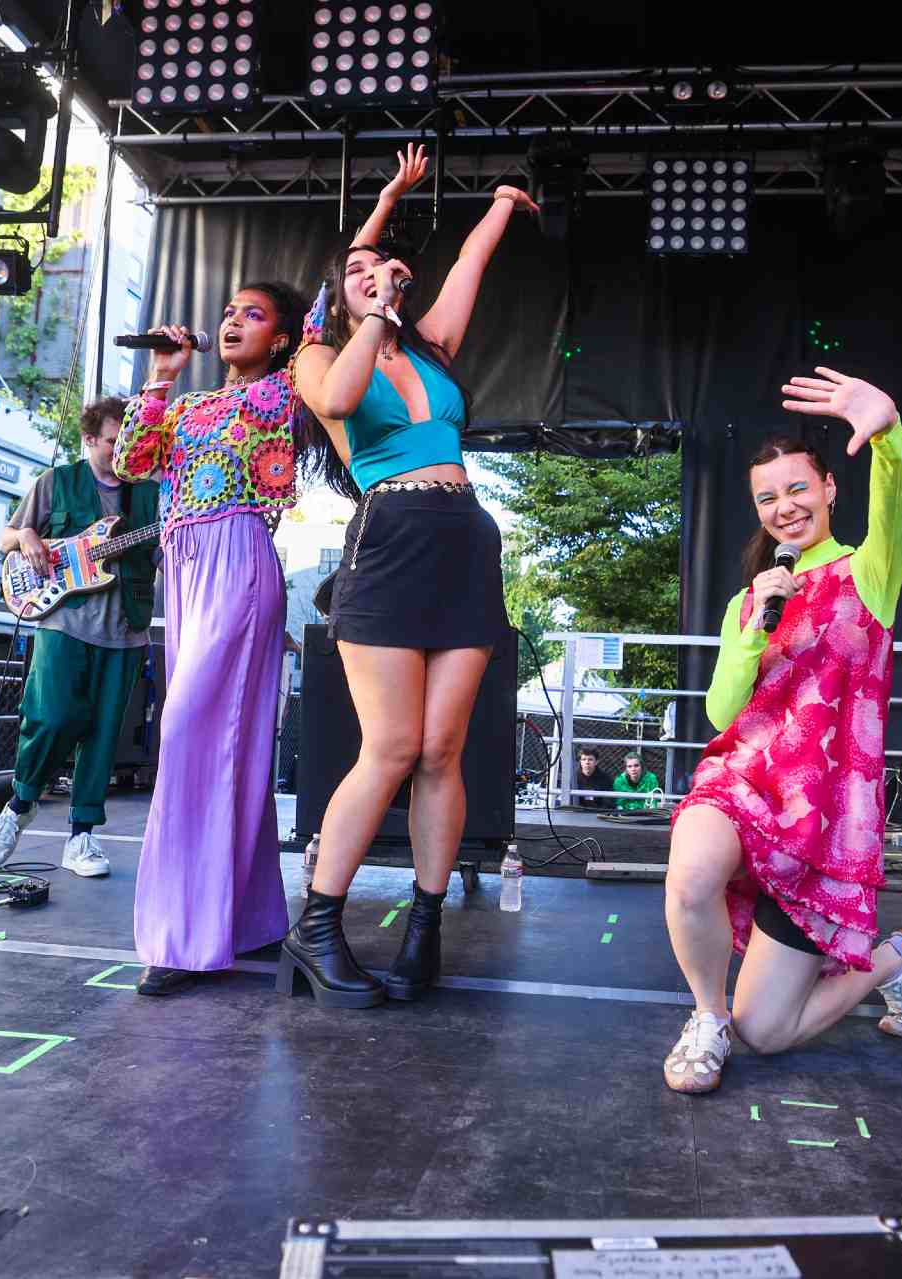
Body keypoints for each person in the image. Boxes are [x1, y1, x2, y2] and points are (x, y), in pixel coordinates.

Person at [284, 146, 536, 1008]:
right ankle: (317, 923)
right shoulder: (319, 359)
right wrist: (375, 297)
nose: (370, 272)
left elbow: (467, 263)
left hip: (465, 540)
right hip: (389, 540)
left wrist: (503, 203)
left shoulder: (432, 348)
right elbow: (345, 398)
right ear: (340, 291)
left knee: (442, 751)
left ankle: (425, 929)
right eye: (353, 270)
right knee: (390, 745)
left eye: (380, 266)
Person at [661, 366, 902, 1096]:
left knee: (770, 1032)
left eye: (799, 487)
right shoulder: (753, 596)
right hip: (742, 783)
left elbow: (894, 506)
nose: (785, 506)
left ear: (830, 489)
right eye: (768, 497)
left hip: (821, 823)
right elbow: (720, 713)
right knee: (689, 880)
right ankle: (706, 1017)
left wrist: (889, 434)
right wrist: (752, 629)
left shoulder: (869, 573)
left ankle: (897, 958)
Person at [115, 279, 310, 997]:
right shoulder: (192, 403)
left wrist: (381, 206)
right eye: (228, 311)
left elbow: (324, 319)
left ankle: (185, 936)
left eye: (252, 315)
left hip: (239, 560)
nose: (232, 322)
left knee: (191, 729)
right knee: (227, 741)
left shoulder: (282, 393)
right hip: (186, 569)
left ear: (281, 338)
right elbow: (133, 461)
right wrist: (162, 375)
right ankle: (251, 914)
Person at [0, 397, 157, 879]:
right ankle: (20, 804)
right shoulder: (55, 482)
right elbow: (5, 538)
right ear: (89, 440)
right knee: (51, 715)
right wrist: (27, 538)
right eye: (113, 439)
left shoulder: (150, 494)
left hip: (125, 629)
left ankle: (82, 835)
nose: (122, 448)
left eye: (129, 439)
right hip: (62, 620)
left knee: (103, 736)